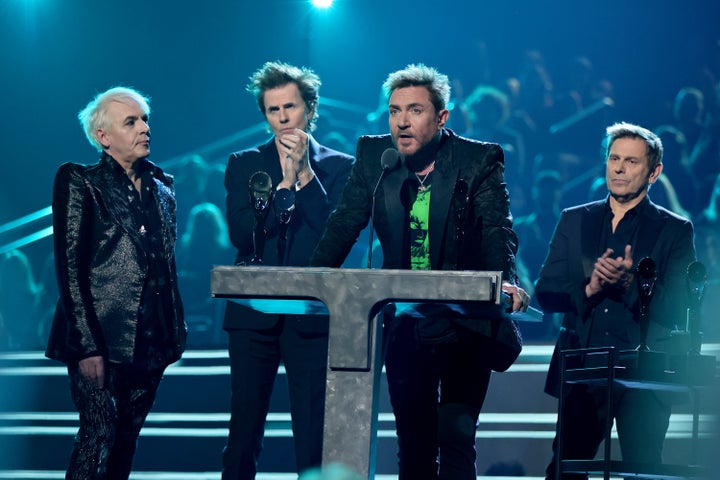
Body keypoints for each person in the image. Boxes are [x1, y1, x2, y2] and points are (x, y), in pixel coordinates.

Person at [310, 63, 529, 480]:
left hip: (464, 324)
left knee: (456, 437)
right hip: (407, 324)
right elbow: (344, 224)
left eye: (414, 110)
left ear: (442, 118)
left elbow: (498, 229)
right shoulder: (377, 157)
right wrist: (312, 280)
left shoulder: (477, 159)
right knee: (414, 445)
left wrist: (507, 280)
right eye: (394, 111)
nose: (402, 121)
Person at [535, 122, 697, 480]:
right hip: (583, 366)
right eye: (614, 158)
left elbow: (676, 308)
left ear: (654, 172)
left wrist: (630, 284)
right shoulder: (575, 220)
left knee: (643, 470)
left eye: (631, 161)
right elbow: (545, 291)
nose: (619, 168)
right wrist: (589, 289)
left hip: (646, 372)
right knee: (565, 468)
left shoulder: (675, 230)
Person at [45, 86, 187, 479]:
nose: (144, 128)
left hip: (152, 338)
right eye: (132, 121)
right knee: (98, 436)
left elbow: (165, 264)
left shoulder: (163, 187)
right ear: (103, 137)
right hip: (101, 338)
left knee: (126, 439)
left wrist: (174, 333)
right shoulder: (80, 182)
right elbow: (70, 269)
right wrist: (88, 345)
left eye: (145, 119)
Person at [221, 61, 354, 479]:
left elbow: (334, 237)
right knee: (243, 433)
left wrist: (306, 178)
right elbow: (241, 235)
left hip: (312, 314)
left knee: (312, 434)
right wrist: (278, 194)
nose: (281, 118)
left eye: (290, 107)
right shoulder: (244, 163)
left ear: (309, 110)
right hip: (253, 314)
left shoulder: (340, 167)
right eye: (272, 110)